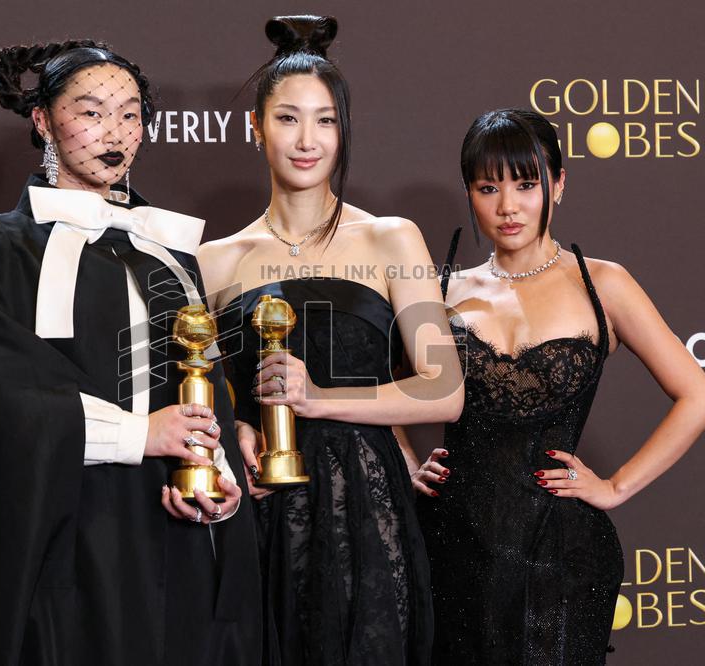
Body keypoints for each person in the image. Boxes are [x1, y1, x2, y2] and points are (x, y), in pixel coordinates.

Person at [0, 40, 261, 665]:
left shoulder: (167, 250)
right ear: (42, 119)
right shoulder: (4, 243)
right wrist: (140, 435)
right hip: (67, 522)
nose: (113, 132)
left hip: (171, 524)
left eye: (129, 114)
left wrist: (218, 478)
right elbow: (2, 391)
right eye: (91, 112)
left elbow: (205, 384)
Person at [198, 15, 462, 666]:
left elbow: (444, 389)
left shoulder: (389, 238)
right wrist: (235, 430)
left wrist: (319, 397)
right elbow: (199, 402)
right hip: (257, 517)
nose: (307, 139)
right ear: (255, 127)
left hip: (364, 516)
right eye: (288, 119)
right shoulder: (212, 261)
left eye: (325, 120)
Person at [411, 108, 705, 664]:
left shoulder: (604, 284)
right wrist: (405, 460)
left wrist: (618, 486)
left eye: (527, 185)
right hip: (452, 547)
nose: (508, 207)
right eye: (488, 188)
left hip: (564, 551)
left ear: (558, 184)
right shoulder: (439, 291)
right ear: (470, 193)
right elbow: (374, 388)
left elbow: (699, 398)